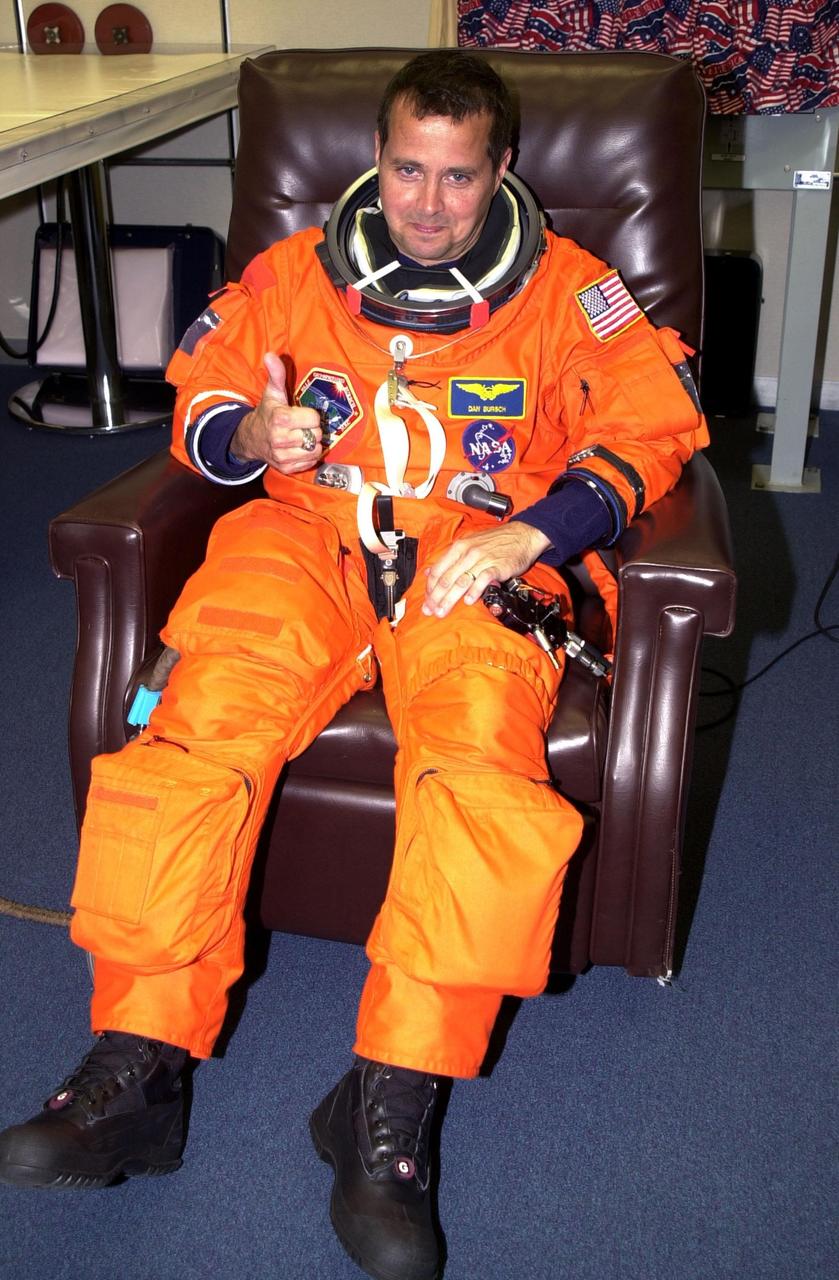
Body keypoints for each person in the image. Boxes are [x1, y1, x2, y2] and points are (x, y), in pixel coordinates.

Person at [0, 50, 708, 1280]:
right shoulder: (292, 277)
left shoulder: (570, 292)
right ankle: (137, 1064)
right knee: (192, 736)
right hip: (303, 538)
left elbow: (647, 426)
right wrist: (253, 430)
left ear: (501, 171)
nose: (427, 204)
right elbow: (204, 404)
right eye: (406, 170)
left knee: (479, 782)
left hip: (471, 555)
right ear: (374, 160)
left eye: (457, 176)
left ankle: (389, 1099)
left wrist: (538, 530)